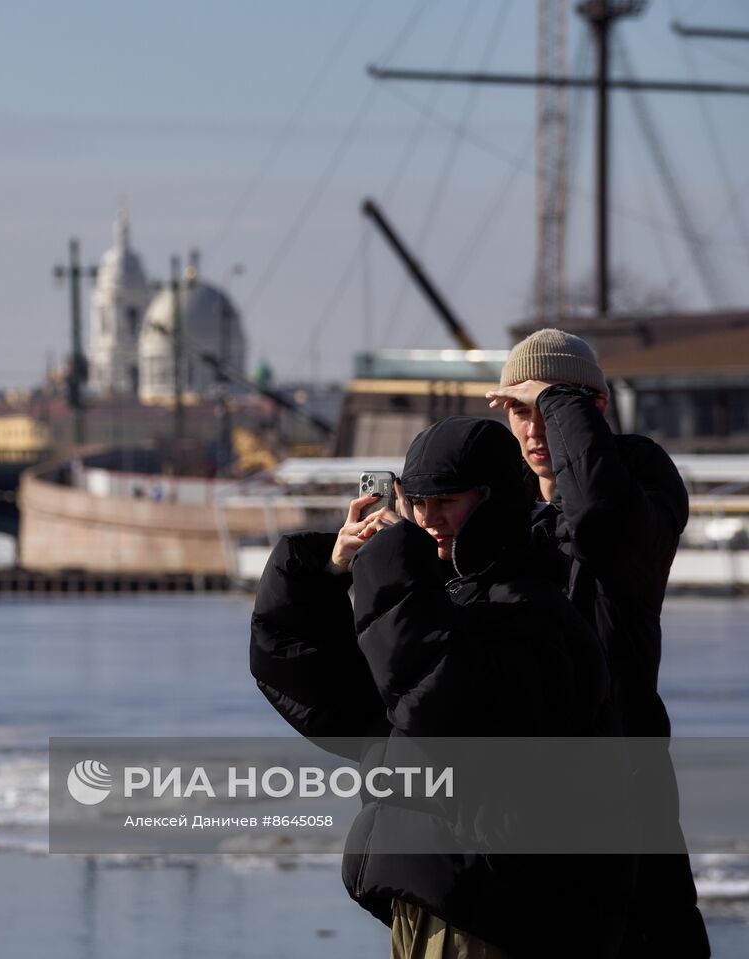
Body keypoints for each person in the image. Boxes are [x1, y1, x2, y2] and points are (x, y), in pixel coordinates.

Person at [251, 416, 631, 958]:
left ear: (493, 500)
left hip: (496, 903)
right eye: (417, 504)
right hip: (437, 891)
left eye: (447, 502)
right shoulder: (443, 599)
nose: (429, 521)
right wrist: (329, 574)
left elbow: (445, 708)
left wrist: (390, 572)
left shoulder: (532, 606)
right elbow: (330, 702)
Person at [485, 329, 709, 958]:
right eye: (517, 411)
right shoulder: (504, 520)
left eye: (547, 409)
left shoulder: (643, 495)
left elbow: (597, 520)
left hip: (626, 789)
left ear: (592, 410)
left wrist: (560, 397)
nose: (531, 431)